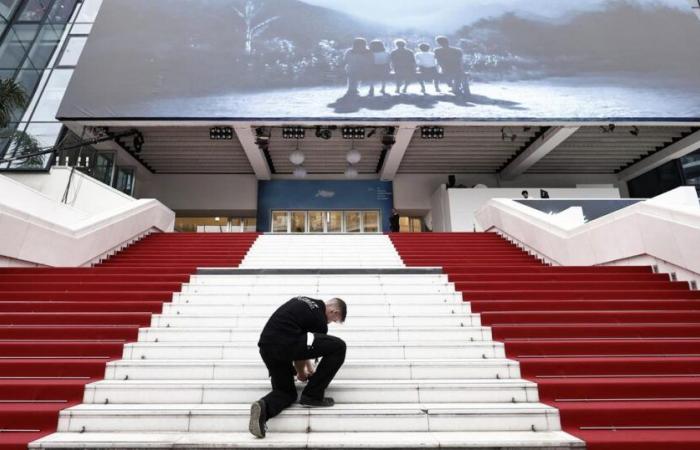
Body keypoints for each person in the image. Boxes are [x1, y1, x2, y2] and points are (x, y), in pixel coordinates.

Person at [249, 296, 348, 439]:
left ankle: (263, 407)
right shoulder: (320, 320)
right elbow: (300, 350)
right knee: (339, 347)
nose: (329, 323)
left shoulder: (304, 301)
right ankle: (313, 395)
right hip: (286, 345)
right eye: (333, 320)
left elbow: (302, 343)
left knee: (285, 392)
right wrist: (302, 373)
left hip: (267, 347)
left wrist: (308, 368)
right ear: (334, 311)